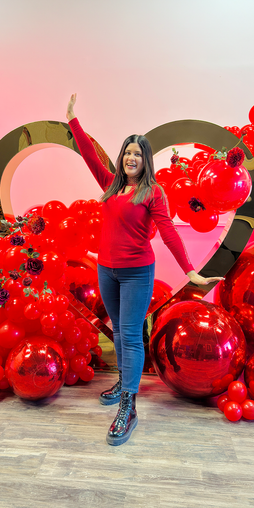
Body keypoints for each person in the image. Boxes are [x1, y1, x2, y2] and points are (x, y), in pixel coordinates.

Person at [66, 94, 223, 446]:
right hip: (106, 270)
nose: (131, 158)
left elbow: (168, 232)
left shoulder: (153, 192)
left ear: (146, 160)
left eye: (137, 153)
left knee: (132, 335)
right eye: (127, 152)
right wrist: (74, 120)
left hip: (137, 272)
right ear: (122, 158)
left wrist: (191, 271)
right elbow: (90, 155)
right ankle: (123, 381)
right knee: (119, 333)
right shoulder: (111, 184)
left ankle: (128, 407)